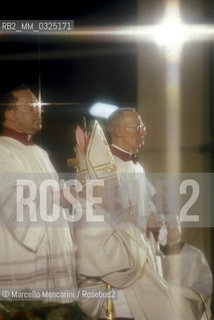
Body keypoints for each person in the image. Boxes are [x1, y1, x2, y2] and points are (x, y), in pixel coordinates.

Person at [74, 120, 205, 320]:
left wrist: (150, 220)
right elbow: (115, 264)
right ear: (94, 190)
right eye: (114, 188)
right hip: (110, 289)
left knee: (181, 302)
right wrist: (132, 223)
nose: (119, 193)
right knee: (175, 306)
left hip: (135, 272)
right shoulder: (87, 217)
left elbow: (145, 214)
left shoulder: (108, 202)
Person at [0, 85, 76, 297]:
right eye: (30, 106)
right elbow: (12, 201)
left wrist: (71, 192)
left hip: (51, 250)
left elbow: (54, 195)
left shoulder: (40, 153)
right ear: (9, 114)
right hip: (22, 255)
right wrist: (57, 197)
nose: (38, 111)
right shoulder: (3, 150)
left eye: (38, 106)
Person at [107, 108, 164, 276]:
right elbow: (111, 212)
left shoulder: (138, 167)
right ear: (117, 131)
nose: (144, 132)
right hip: (123, 253)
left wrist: (154, 217)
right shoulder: (107, 166)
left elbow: (147, 205)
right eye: (138, 127)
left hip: (143, 246)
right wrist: (144, 221)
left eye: (143, 127)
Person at [160, 214, 213, 318]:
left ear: (181, 228)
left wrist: (184, 297)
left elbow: (206, 285)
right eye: (167, 225)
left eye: (174, 224)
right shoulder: (156, 256)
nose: (171, 228)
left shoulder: (195, 255)